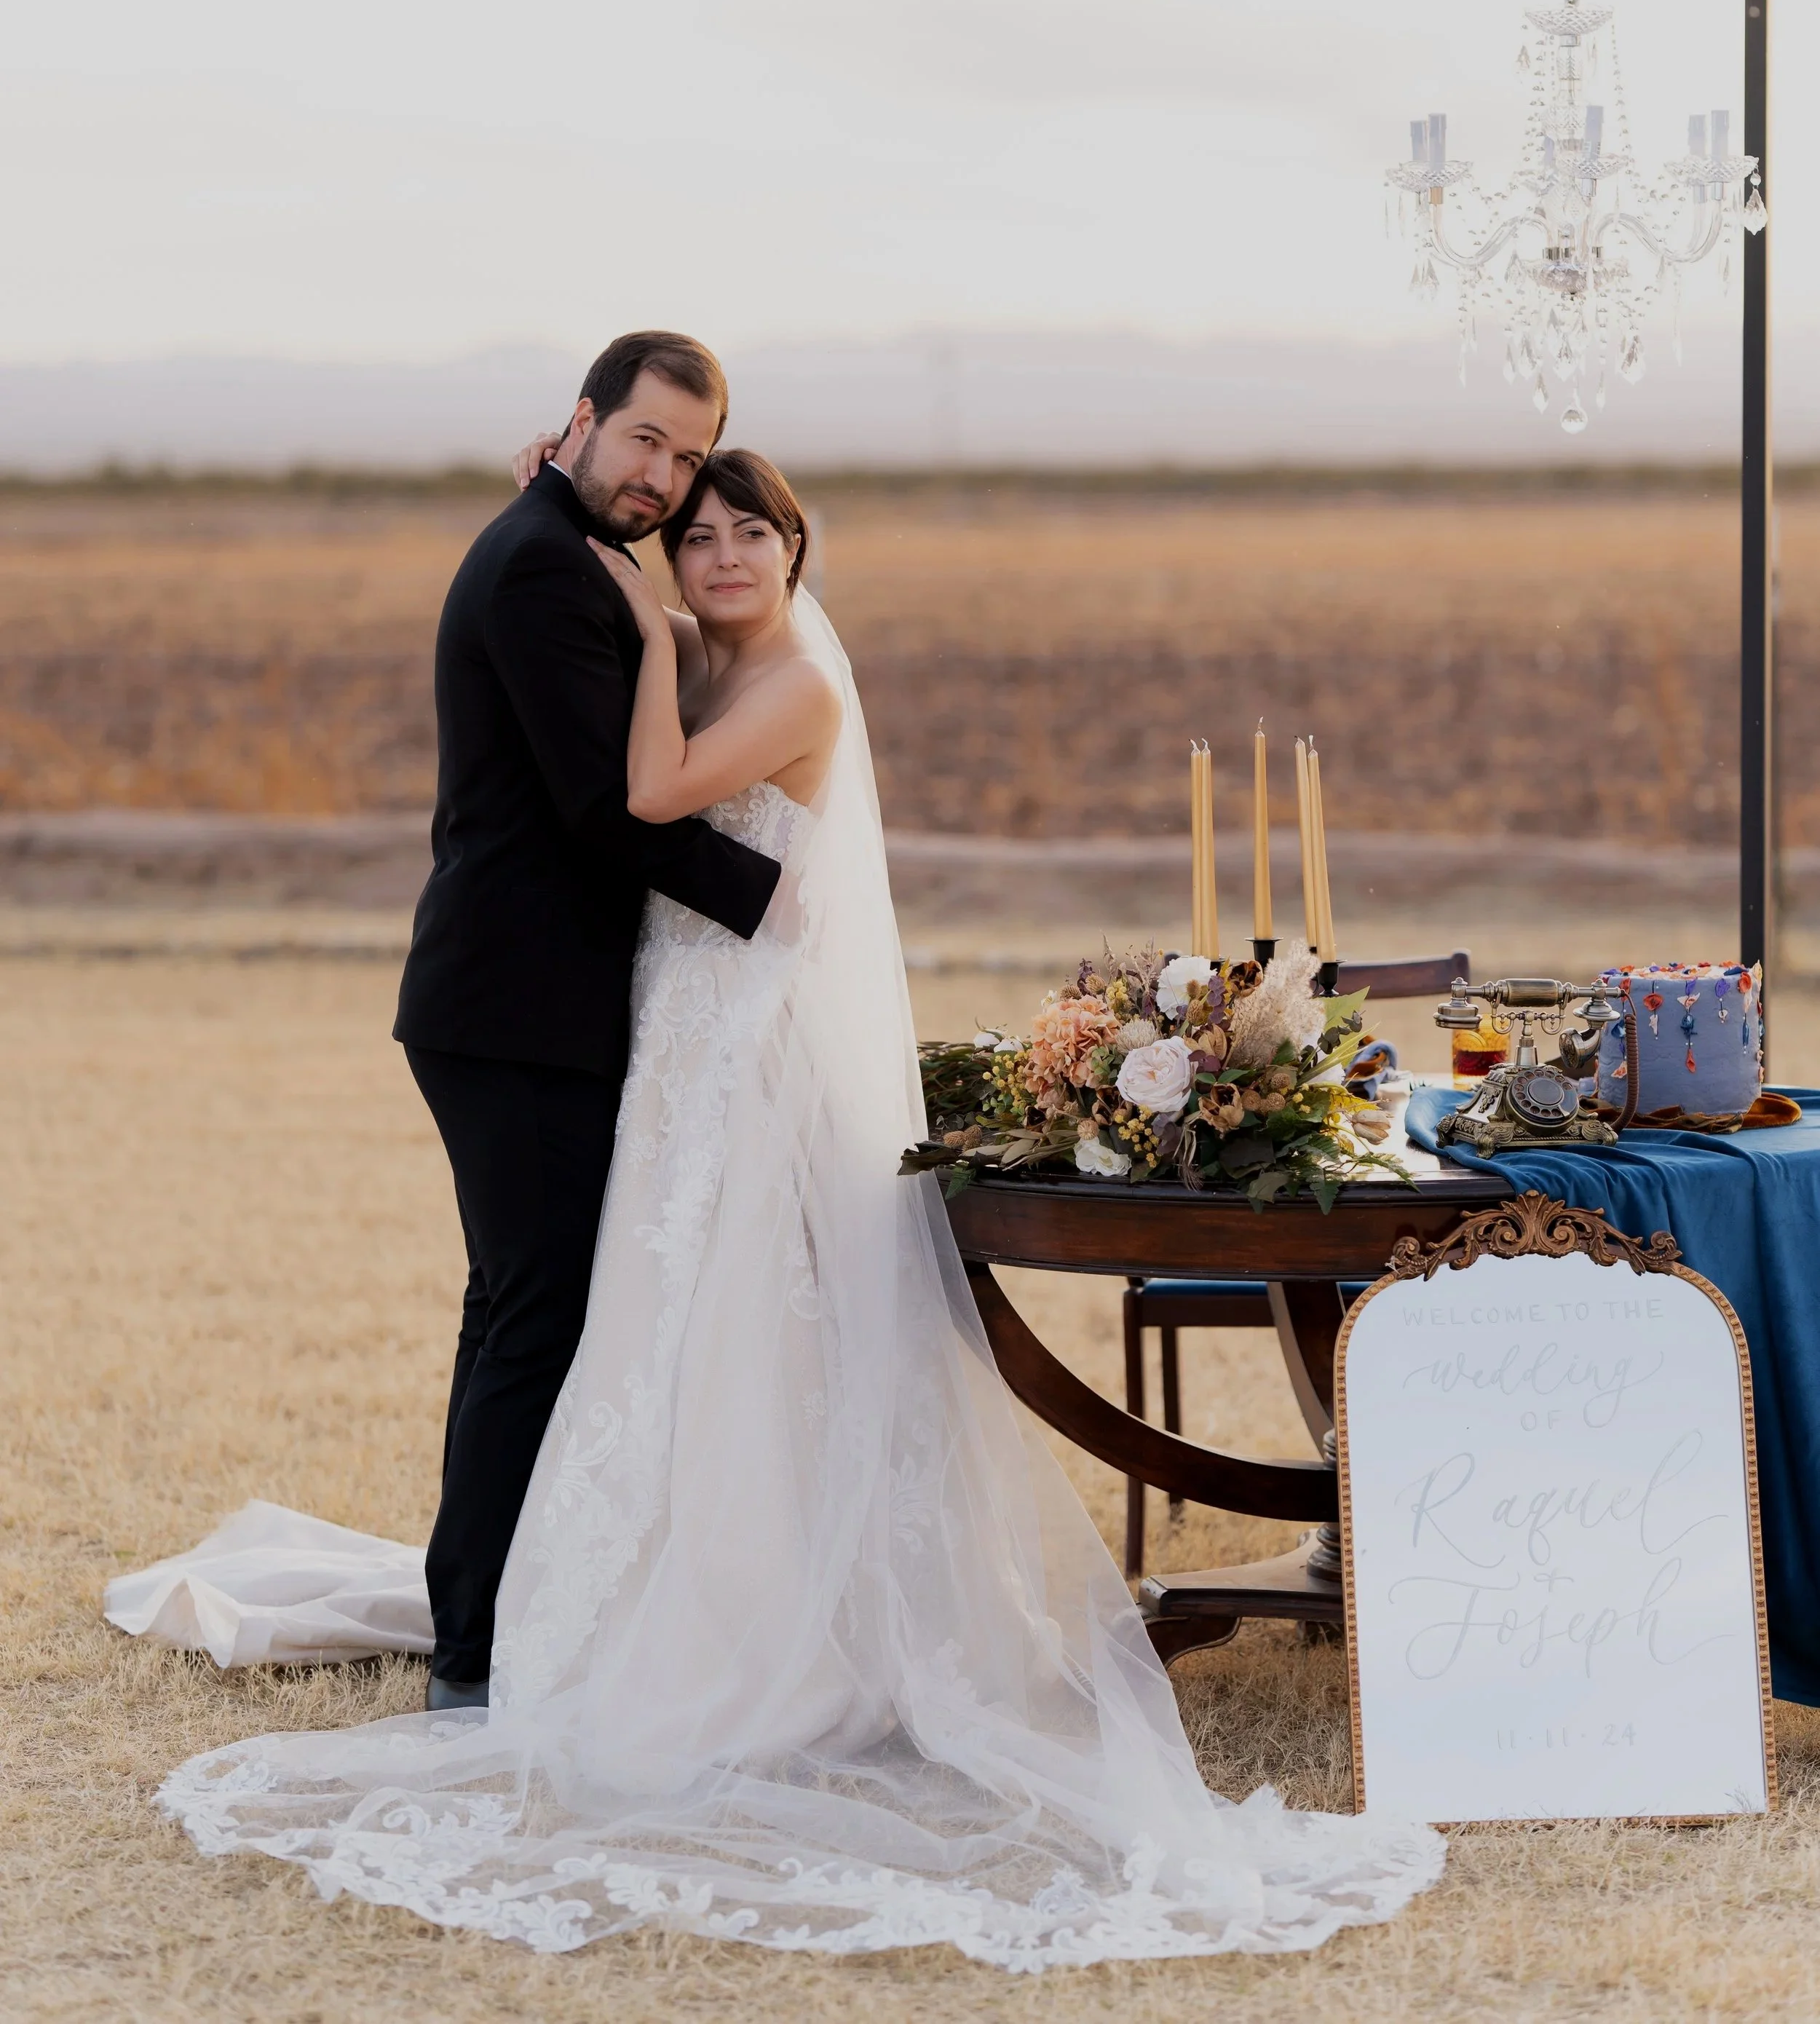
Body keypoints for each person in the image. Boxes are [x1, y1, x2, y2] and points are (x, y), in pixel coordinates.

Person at [145, 432, 1445, 1966]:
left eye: (751, 537)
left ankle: (758, 1642)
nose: (722, 561)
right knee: (659, 1318)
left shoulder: (787, 685)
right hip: (674, 1034)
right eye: (695, 539)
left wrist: (631, 615)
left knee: (737, 1318)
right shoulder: (699, 653)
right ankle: (609, 1595)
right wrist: (599, 567)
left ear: (795, 549)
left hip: (746, 1048)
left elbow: (642, 789)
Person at [392, 332, 782, 1705]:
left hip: (513, 1002)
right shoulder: (548, 564)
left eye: (688, 455)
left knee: (515, 1308)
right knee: (533, 1318)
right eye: (644, 443)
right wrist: (784, 901)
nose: (665, 479)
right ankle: (474, 1657)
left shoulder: (567, 540)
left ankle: (483, 1608)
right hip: (516, 1008)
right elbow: (600, 813)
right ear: (583, 419)